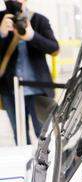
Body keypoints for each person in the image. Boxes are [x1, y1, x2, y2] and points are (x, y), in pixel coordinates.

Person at [0, 0, 58, 145]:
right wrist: (1, 33)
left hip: (38, 88)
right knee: (19, 134)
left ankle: (48, 165)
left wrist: (32, 36)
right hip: (9, 89)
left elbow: (54, 48)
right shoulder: (0, 20)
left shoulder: (39, 20)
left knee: (44, 134)